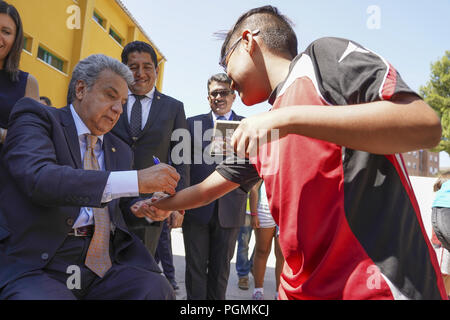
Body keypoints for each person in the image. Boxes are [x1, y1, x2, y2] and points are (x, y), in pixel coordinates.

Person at [140, 6, 447, 300]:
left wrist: (286, 119)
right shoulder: (265, 127)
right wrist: (166, 204)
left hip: (375, 288)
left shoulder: (321, 60)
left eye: (226, 62)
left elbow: (423, 125)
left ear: (247, 41)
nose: (228, 80)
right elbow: (208, 190)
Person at [0, 54, 180, 300]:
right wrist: (136, 180)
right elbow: (40, 178)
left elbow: (118, 207)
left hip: (103, 263)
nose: (118, 109)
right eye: (110, 95)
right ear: (81, 89)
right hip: (41, 261)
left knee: (155, 289)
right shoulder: (37, 118)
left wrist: (143, 207)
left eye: (123, 102)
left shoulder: (120, 148)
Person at [112, 41, 188, 267]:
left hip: (151, 205)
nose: (140, 73)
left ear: (156, 70)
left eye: (147, 67)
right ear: (123, 69)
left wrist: (178, 203)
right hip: (109, 199)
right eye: (132, 67)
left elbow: (180, 158)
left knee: (140, 271)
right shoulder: (111, 101)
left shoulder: (174, 108)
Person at [182, 73, 247, 300]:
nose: (219, 97)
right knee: (195, 269)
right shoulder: (191, 124)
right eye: (214, 93)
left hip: (230, 208)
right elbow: (183, 165)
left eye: (224, 92)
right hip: (196, 208)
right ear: (208, 97)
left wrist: (242, 190)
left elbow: (256, 166)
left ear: (233, 96)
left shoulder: (246, 126)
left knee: (220, 271)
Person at [0, 1, 39, 148]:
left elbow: (32, 137)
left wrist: (2, 134)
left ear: (16, 39)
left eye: (6, 32)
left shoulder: (28, 83)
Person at [249, 180, 283, 300]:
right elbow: (254, 188)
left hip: (285, 210)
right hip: (265, 208)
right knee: (262, 251)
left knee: (282, 255)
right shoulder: (267, 160)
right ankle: (258, 290)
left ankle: (279, 293)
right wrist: (254, 214)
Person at [431, 171, 450, 296]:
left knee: (445, 276)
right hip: (441, 247)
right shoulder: (443, 199)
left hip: (441, 244)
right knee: (443, 274)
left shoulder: (439, 200)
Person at [235, 198, 254, 290]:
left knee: (263, 246)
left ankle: (253, 265)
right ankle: (243, 275)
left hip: (265, 210)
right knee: (243, 244)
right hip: (247, 210)